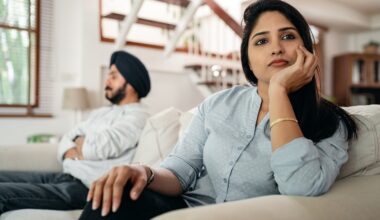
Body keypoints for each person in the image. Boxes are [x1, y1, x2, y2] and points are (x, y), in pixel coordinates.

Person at [79, 1, 358, 219]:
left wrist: (279, 90)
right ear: (247, 58)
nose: (275, 48)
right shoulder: (217, 103)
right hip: (182, 208)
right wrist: (143, 171)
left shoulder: (330, 123)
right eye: (261, 41)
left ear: (306, 49)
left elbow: (301, 186)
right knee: (110, 201)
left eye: (287, 36)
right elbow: (182, 170)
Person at [0, 50, 151, 214]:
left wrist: (79, 142)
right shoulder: (101, 112)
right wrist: (77, 144)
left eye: (113, 76)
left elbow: (96, 148)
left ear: (132, 84)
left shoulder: (138, 116)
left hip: (85, 187)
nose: (106, 81)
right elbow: (67, 138)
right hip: (65, 175)